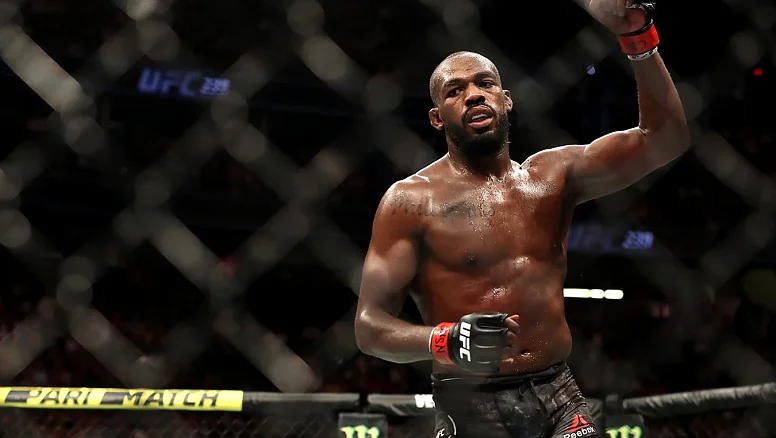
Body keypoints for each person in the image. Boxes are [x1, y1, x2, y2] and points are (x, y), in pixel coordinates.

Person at [355, 1, 689, 437]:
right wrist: (445, 339)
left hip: (559, 393)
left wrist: (636, 35)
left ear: (506, 100)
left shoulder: (553, 177)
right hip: (469, 400)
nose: (473, 94)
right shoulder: (410, 201)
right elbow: (370, 327)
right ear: (437, 118)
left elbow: (665, 139)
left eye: (485, 83)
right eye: (455, 91)